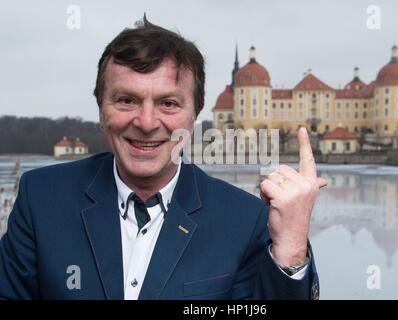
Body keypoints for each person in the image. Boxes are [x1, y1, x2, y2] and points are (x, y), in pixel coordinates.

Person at [0, 15, 326, 300]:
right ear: (101, 110)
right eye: (126, 100)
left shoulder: (244, 219)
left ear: (194, 117)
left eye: (168, 103)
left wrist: (292, 249)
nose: (146, 122)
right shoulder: (41, 198)